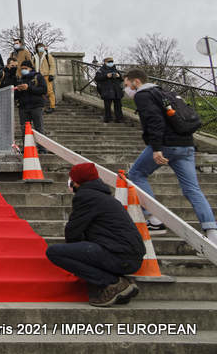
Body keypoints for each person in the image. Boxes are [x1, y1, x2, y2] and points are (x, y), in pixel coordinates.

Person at [124, 69, 217, 242]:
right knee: (192, 189)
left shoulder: (143, 95)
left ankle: (154, 219)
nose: (126, 89)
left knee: (136, 174)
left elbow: (155, 121)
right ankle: (212, 232)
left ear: (136, 82)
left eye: (127, 84)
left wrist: (157, 148)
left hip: (167, 144)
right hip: (186, 144)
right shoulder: (164, 92)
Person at [46, 163, 144, 307]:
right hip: (130, 257)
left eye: (72, 179)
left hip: (119, 256)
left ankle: (113, 283)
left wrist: (77, 255)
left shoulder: (85, 197)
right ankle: (120, 283)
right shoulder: (103, 196)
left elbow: (72, 232)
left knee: (54, 252)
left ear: (77, 182)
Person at [15, 60, 48, 151]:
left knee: (39, 127)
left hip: (36, 106)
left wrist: (29, 88)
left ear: (30, 68)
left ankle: (42, 148)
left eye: (25, 68)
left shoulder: (38, 77)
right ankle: (27, 148)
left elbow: (43, 90)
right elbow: (16, 96)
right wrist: (18, 90)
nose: (23, 70)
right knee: (24, 129)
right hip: (23, 107)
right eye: (22, 69)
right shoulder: (20, 79)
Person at [94, 58, 124, 123]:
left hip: (116, 91)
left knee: (118, 106)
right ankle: (108, 118)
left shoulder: (116, 70)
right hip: (107, 90)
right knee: (107, 106)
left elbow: (122, 79)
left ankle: (119, 118)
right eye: (109, 62)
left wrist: (119, 76)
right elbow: (96, 78)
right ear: (105, 62)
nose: (111, 63)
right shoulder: (101, 70)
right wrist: (106, 76)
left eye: (112, 62)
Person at [34, 43, 57, 114]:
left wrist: (51, 74)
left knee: (50, 91)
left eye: (41, 46)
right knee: (40, 92)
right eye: (39, 47)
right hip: (38, 76)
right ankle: (41, 107)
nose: (40, 48)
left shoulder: (47, 55)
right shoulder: (34, 57)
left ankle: (52, 106)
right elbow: (33, 66)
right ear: (36, 48)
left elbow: (52, 65)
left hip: (46, 75)